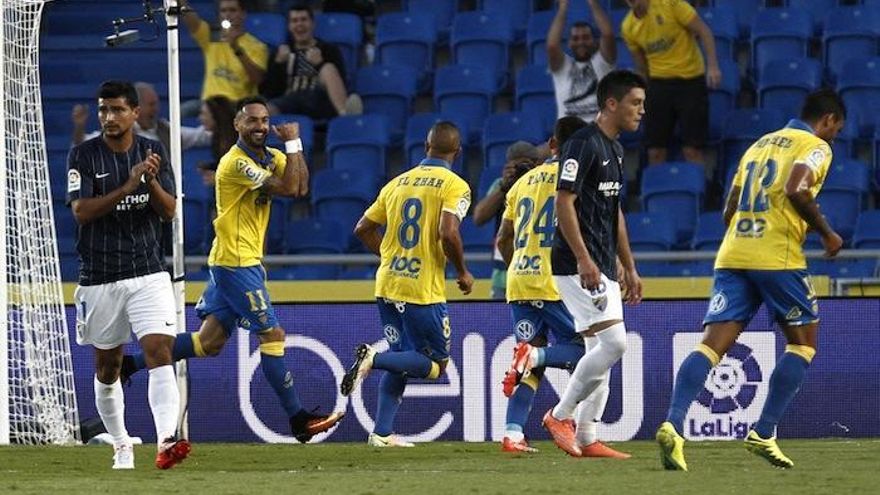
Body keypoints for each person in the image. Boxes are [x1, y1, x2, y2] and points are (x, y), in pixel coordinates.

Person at [121, 96, 344, 442]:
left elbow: (301, 186)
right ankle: (298, 419)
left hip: (238, 261)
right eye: (252, 121)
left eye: (264, 120)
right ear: (238, 125)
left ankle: (128, 365)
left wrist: (292, 146)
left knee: (208, 343)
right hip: (235, 263)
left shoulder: (269, 156)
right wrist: (292, 142)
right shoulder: (236, 163)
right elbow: (287, 187)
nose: (259, 127)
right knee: (273, 335)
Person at [656, 89, 847, 471]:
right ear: (827, 120)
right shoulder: (815, 146)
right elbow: (797, 187)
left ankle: (674, 424)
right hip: (777, 256)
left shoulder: (759, 146)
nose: (834, 137)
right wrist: (825, 231)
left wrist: (753, 236)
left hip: (734, 252)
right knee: (804, 345)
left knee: (712, 346)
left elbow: (730, 208)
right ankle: (764, 431)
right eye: (836, 129)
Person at [67, 80, 190, 470]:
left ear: (135, 113)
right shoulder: (83, 155)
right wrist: (128, 185)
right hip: (100, 275)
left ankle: (166, 440)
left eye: (118, 110)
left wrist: (150, 180)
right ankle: (121, 443)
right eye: (103, 110)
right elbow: (82, 211)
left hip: (148, 272)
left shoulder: (153, 151)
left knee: (159, 351)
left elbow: (169, 211)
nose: (108, 117)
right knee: (109, 367)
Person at [496, 116, 630, 458]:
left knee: (531, 367)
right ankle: (579, 426)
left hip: (521, 282)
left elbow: (503, 239)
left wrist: (518, 267)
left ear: (552, 146)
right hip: (559, 280)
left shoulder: (521, 184)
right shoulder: (583, 177)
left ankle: (512, 433)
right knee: (592, 351)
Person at [339, 121, 474, 447]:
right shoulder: (456, 186)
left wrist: (388, 255)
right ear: (457, 152)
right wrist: (462, 271)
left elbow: (362, 228)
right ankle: (373, 358)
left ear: (426, 147)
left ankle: (382, 434)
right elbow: (448, 232)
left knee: (403, 357)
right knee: (436, 366)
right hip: (421, 291)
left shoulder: (396, 184)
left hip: (387, 285)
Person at [541, 70, 645, 457]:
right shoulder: (582, 144)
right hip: (575, 263)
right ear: (611, 104)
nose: (641, 111)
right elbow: (563, 201)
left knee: (598, 349)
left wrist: (628, 265)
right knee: (615, 343)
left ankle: (587, 435)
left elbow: (614, 211)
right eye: (635, 103)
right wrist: (585, 259)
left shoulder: (616, 150)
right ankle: (560, 415)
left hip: (602, 262)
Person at [621, 0, 721, 166]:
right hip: (659, 85)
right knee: (655, 151)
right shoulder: (628, 27)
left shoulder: (671, 5)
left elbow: (704, 32)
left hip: (690, 81)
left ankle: (698, 189)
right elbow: (641, 67)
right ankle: (659, 188)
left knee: (692, 150)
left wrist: (712, 66)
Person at [261, 4, 361, 119]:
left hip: (320, 100)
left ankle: (346, 116)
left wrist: (320, 64)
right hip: (289, 101)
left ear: (313, 24)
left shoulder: (328, 50)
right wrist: (278, 64)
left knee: (328, 68)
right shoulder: (280, 52)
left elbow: (340, 81)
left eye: (304, 20)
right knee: (263, 111)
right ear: (289, 26)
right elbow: (271, 92)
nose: (299, 24)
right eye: (294, 21)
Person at [473, 141, 542, 299]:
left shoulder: (544, 184)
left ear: (537, 165)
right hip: (503, 277)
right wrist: (505, 187)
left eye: (524, 166)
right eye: (515, 167)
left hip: (536, 271)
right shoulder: (500, 185)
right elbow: (479, 217)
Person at [179, 0, 268, 116]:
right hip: (209, 103)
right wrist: (180, 2)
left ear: (243, 14)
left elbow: (257, 79)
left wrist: (236, 47)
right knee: (180, 112)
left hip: (238, 104)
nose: (227, 14)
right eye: (223, 10)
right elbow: (192, 21)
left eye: (232, 10)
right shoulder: (210, 36)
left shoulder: (256, 45)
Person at [71, 82, 212, 151]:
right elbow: (81, 145)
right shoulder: (117, 132)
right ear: (136, 108)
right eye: (151, 104)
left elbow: (201, 136)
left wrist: (220, 122)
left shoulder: (167, 131)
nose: (156, 109)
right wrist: (79, 126)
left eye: (156, 104)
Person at [547, 0, 616, 123]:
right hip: (568, 137)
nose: (581, 42)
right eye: (575, 38)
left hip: (599, 136)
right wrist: (563, 8)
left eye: (586, 37)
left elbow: (608, 34)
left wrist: (593, 3)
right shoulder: (562, 66)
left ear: (595, 41)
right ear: (569, 43)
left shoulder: (603, 63)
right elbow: (552, 45)